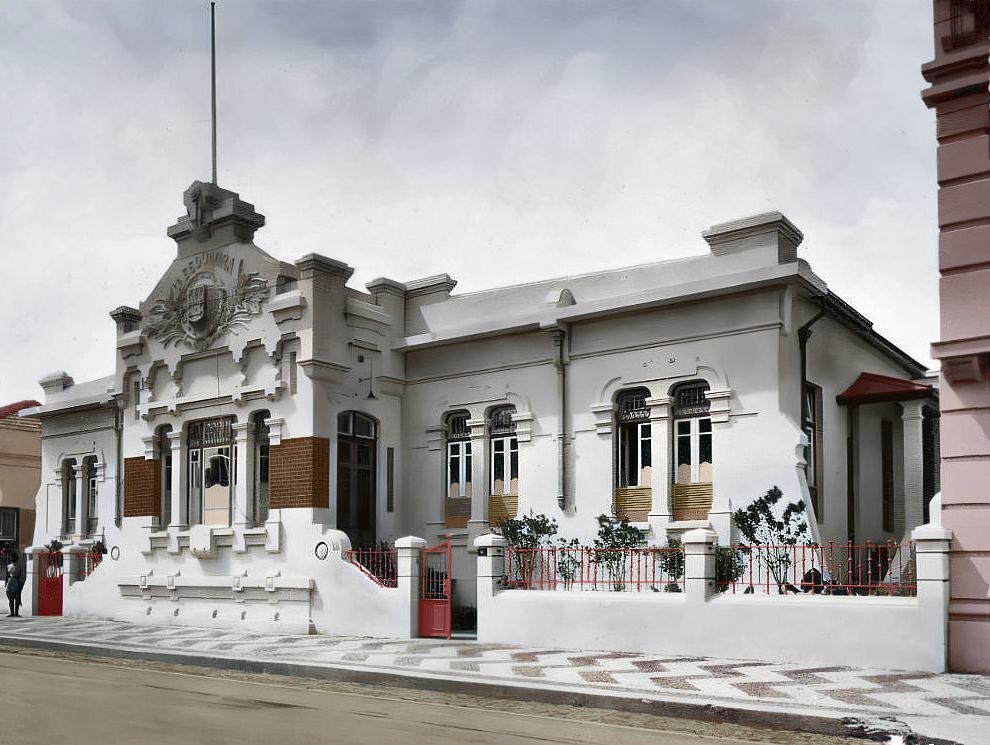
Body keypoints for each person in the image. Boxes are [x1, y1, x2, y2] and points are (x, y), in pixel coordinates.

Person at [6, 552, 25, 617]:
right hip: (10, 583)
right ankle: (12, 613)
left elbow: (22, 575)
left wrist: (20, 585)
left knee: (17, 597)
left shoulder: (20, 565)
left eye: (13, 557)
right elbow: (7, 575)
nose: (12, 558)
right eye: (12, 557)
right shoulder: (9, 565)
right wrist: (6, 583)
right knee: (10, 598)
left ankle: (16, 613)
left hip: (17, 582)